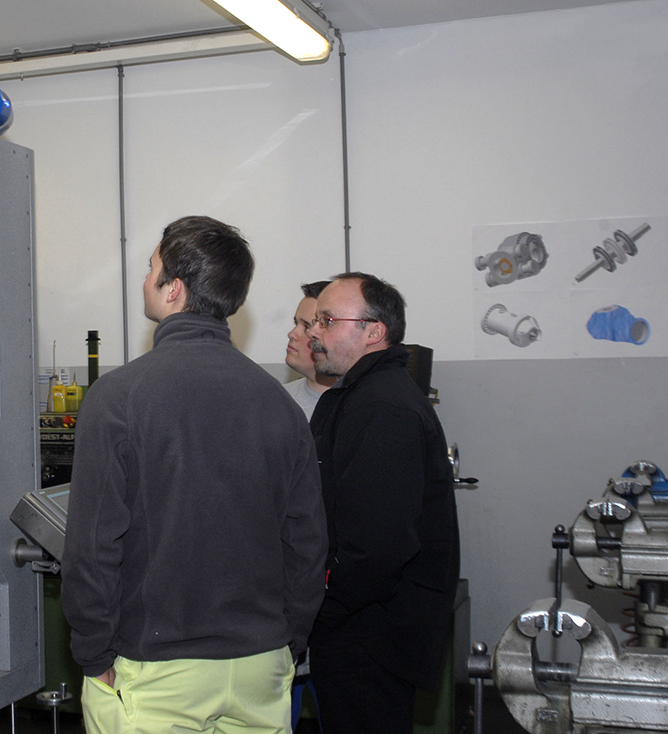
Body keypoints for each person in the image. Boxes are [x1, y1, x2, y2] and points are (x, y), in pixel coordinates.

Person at [61, 216, 327, 734]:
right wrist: (289, 642)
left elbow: (92, 547)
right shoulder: (279, 403)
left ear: (173, 289)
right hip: (262, 666)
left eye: (150, 268)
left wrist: (93, 654)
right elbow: (307, 543)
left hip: (157, 673)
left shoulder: (118, 397)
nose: (145, 279)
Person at [306, 272, 460, 734]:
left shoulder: (382, 408)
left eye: (327, 321)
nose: (314, 332)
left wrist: (321, 610)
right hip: (359, 628)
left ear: (374, 331)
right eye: (314, 321)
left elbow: (377, 546)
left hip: (370, 636)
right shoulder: (355, 396)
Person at [284, 280, 336, 419]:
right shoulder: (277, 399)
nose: (292, 334)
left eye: (307, 327)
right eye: (296, 323)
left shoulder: (362, 404)